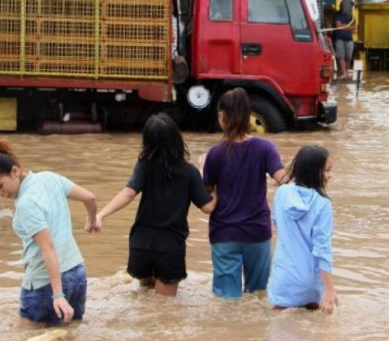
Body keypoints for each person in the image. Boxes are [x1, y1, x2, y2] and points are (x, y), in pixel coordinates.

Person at [92, 113, 217, 296]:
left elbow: (128, 193)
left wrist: (100, 215)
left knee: (144, 301)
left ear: (148, 142)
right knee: (163, 312)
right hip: (169, 248)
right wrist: (215, 182)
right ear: (177, 139)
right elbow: (208, 207)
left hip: (140, 245)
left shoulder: (144, 166)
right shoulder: (189, 173)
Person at [0, 139, 99, 325]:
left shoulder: (27, 203)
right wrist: (93, 220)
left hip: (45, 284)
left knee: (26, 334)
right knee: (71, 332)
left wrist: (58, 294)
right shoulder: (50, 177)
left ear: (15, 171)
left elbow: (47, 248)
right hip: (77, 274)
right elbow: (90, 198)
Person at [200, 88, 286, 299]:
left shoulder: (215, 153)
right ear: (248, 115)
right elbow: (283, 180)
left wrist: (203, 169)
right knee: (257, 295)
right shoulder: (265, 147)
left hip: (224, 232)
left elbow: (206, 194)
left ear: (222, 117)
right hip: (257, 231)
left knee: (226, 300)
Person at [267, 145, 340, 314]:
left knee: (280, 329)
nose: (330, 175)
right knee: (313, 329)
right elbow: (322, 249)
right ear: (314, 171)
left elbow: (277, 222)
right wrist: (329, 289)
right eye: (327, 170)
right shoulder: (322, 204)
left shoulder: (282, 194)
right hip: (311, 280)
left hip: (284, 276)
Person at [333, 0, 356, 80]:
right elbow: (338, 26)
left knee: (349, 56)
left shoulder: (351, 16)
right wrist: (349, 27)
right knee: (341, 56)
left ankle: (346, 73)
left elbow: (354, 28)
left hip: (349, 39)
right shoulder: (338, 15)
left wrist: (345, 27)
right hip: (340, 38)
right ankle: (343, 73)